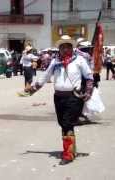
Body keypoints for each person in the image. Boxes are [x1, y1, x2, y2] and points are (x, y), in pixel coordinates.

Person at [23, 35, 94, 165]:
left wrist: (88, 92)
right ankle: (71, 149)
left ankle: (68, 154)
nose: (65, 49)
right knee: (63, 124)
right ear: (59, 49)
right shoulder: (55, 62)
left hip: (74, 97)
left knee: (67, 123)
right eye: (62, 47)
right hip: (59, 97)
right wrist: (33, 89)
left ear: (72, 48)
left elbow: (89, 77)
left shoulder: (79, 60)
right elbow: (45, 76)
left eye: (68, 46)